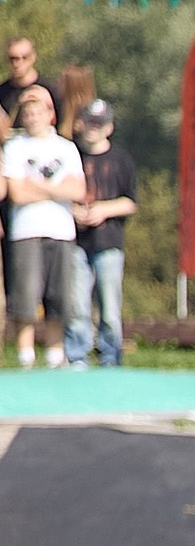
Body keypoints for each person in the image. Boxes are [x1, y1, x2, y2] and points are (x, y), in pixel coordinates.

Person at [3, 84, 85, 368]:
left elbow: (77, 190)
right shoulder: (15, 148)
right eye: (28, 112)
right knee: (26, 296)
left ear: (50, 114)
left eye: (38, 111)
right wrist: (55, 188)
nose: (33, 117)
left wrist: (39, 187)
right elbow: (17, 193)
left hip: (61, 230)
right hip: (26, 230)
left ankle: (55, 354)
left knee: (59, 296)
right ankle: (26, 355)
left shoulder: (66, 148)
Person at [64, 98, 135, 368]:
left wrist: (103, 209)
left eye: (99, 123)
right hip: (76, 242)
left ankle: (110, 355)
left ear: (109, 127)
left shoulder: (121, 160)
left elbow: (130, 201)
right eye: (90, 122)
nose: (93, 128)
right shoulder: (71, 155)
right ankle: (77, 355)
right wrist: (73, 210)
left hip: (109, 243)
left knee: (110, 306)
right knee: (77, 303)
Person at [0, 35, 58, 134]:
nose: (18, 63)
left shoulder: (50, 89)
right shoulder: (2, 92)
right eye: (13, 58)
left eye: (24, 57)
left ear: (33, 57)